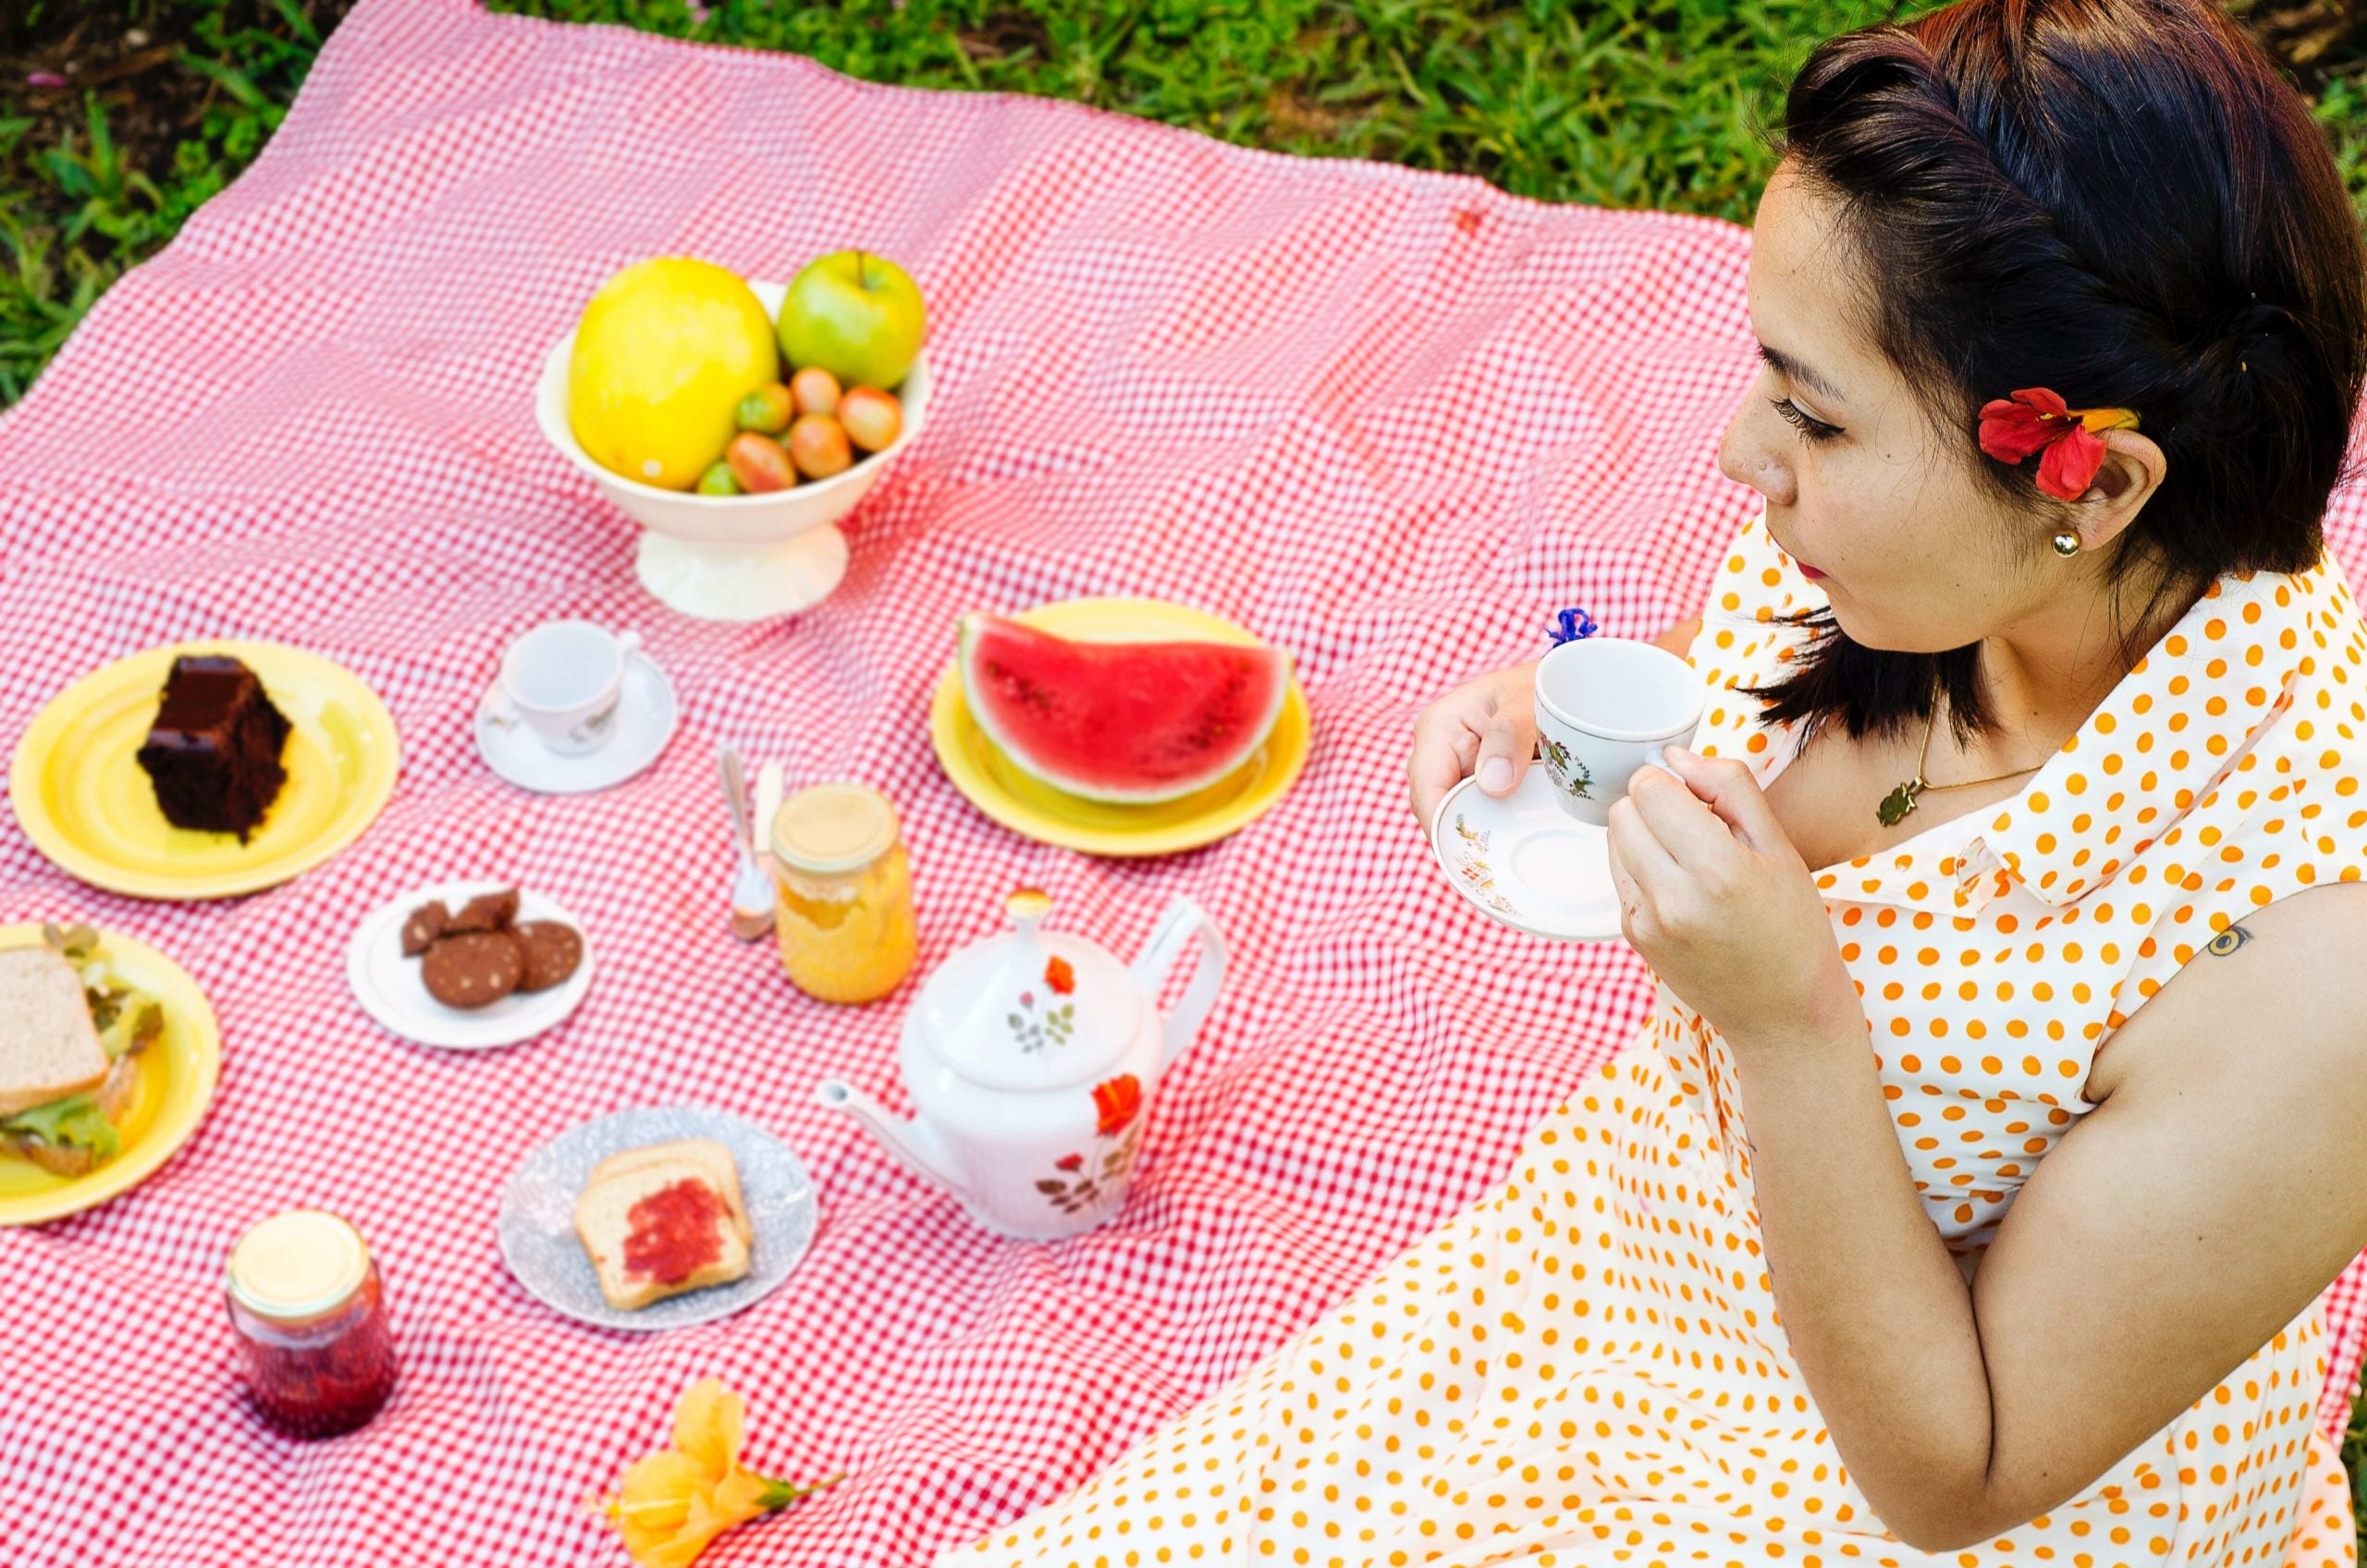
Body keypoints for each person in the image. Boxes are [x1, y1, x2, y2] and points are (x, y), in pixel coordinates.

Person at [938, 0, 2367, 1559]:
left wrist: (1790, 1017)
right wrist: (1565, 715)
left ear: (2090, 484)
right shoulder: (1933, 573)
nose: (1739, 451)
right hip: (1626, 1269)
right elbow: (1748, 662)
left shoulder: (2316, 978)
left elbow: (1958, 1477)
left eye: (1815, 414)